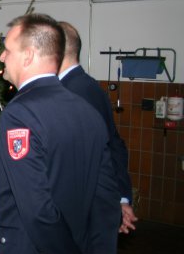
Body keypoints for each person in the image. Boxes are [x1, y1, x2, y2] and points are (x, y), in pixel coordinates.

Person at [0, 14, 121, 254]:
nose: (2, 57)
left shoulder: (20, 114)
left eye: (7, 49)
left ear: (29, 56)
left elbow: (37, 209)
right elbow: (106, 196)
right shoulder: (87, 110)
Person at [58, 22, 138, 234]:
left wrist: (117, 201)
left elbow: (91, 155)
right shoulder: (87, 85)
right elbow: (113, 143)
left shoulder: (71, 92)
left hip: (84, 209)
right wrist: (122, 198)